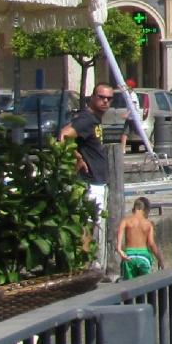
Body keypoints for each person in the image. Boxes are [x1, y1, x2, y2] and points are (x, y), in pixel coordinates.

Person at [60, 84, 114, 248]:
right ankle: (86, 264)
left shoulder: (94, 119)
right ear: (92, 97)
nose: (105, 101)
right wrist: (77, 158)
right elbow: (63, 136)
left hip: (97, 181)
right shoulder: (87, 119)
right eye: (101, 97)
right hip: (89, 183)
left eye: (109, 98)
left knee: (92, 226)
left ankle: (88, 262)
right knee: (87, 226)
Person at [115, 197, 163, 279]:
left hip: (129, 257)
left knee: (129, 286)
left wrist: (120, 250)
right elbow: (151, 244)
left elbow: (118, 240)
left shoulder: (125, 221)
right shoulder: (148, 224)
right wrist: (160, 260)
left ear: (134, 208)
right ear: (145, 209)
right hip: (144, 257)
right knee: (146, 286)